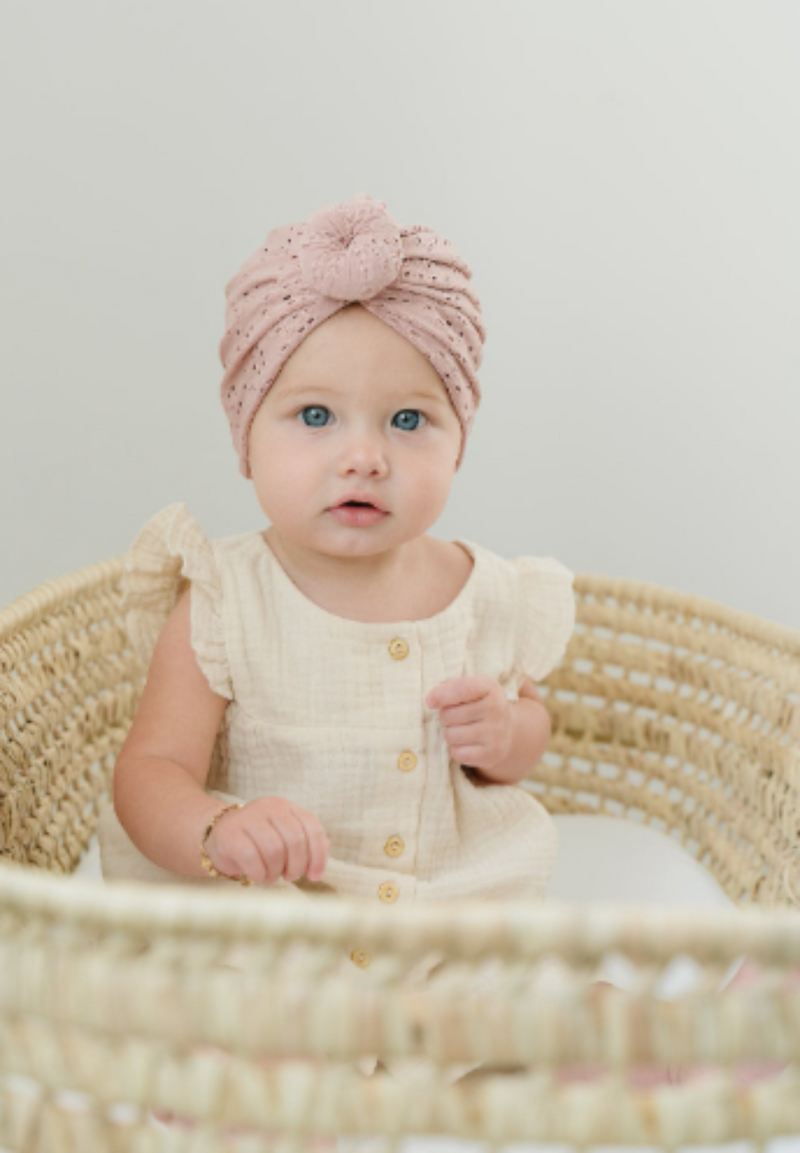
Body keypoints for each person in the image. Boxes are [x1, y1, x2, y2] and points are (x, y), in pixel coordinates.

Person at [96, 194, 781, 1134]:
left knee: (556, 1016)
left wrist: (506, 734)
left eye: (410, 420)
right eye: (314, 416)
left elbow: (533, 725)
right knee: (239, 1041)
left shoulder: (484, 590)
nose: (365, 456)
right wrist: (217, 827)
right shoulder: (221, 597)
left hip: (453, 940)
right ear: (246, 436)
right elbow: (150, 770)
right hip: (280, 937)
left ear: (461, 437)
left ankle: (676, 1047)